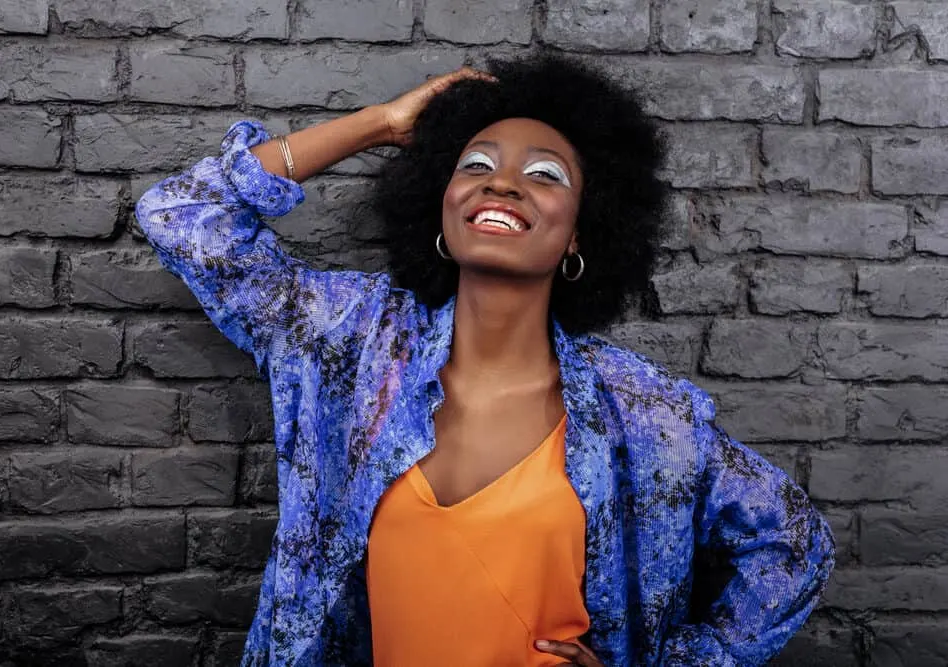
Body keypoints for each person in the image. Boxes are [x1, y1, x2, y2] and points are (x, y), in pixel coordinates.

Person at [135, 52, 835, 667]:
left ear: (578, 236)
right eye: (475, 165)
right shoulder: (353, 340)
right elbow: (185, 213)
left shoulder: (644, 413)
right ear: (440, 205)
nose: (501, 183)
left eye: (543, 174)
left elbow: (796, 544)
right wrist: (383, 123)